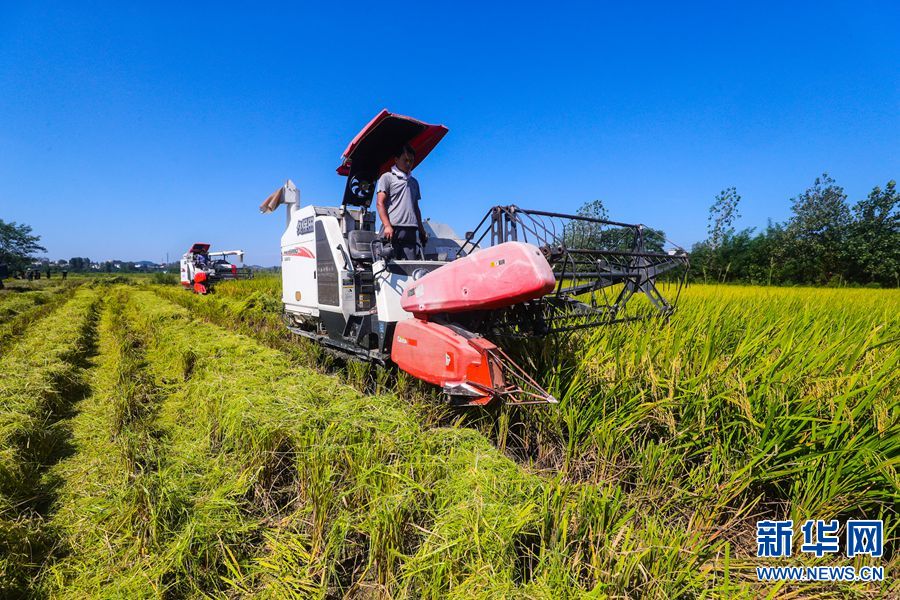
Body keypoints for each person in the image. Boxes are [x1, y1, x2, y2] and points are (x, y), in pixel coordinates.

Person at [376, 144, 428, 260]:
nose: (409, 164)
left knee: (410, 266)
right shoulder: (387, 177)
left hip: (411, 230)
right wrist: (387, 226)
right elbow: (380, 203)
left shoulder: (414, 182)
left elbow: (416, 207)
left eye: (411, 161)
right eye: (406, 160)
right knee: (388, 265)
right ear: (396, 160)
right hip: (393, 228)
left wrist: (421, 229)